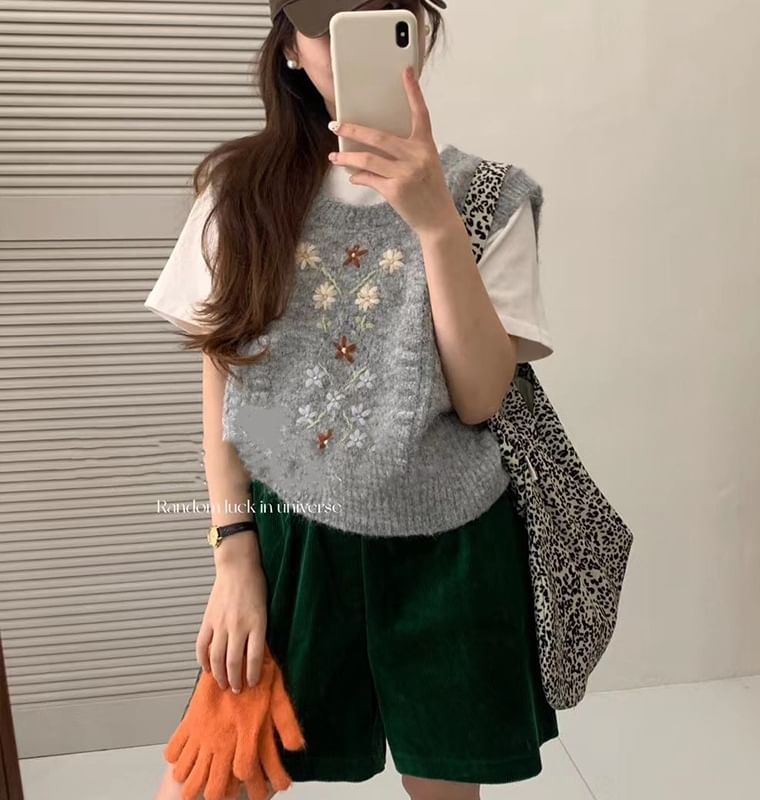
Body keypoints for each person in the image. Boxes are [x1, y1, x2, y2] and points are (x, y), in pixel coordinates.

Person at [147, 2, 558, 799]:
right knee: (206, 779)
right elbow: (224, 381)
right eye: (327, 25)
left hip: (449, 549)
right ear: (291, 51)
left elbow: (481, 399)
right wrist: (235, 557)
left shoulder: (491, 196)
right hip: (290, 542)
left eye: (383, 16)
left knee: (444, 789)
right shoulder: (241, 193)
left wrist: (436, 222)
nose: (349, 44)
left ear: (419, 31)